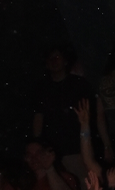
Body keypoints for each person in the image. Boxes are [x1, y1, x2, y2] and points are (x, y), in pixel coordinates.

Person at [31, 46, 94, 181]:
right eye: (50, 58)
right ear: (46, 64)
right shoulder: (42, 88)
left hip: (80, 148)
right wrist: (37, 144)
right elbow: (38, 116)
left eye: (57, 57)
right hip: (54, 151)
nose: (54, 61)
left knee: (86, 185)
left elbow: (93, 115)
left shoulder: (79, 84)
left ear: (65, 61)